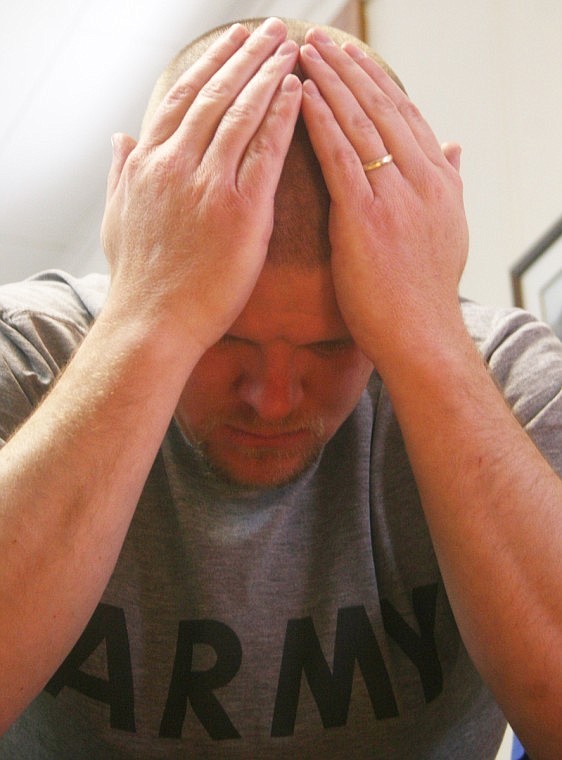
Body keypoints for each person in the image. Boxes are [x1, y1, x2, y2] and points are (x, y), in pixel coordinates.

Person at [0, 16, 560, 759]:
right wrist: (147, 321)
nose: (270, 397)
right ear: (130, 226)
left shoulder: (505, 374)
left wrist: (424, 326)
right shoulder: (30, 352)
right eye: (221, 332)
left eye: (334, 343)